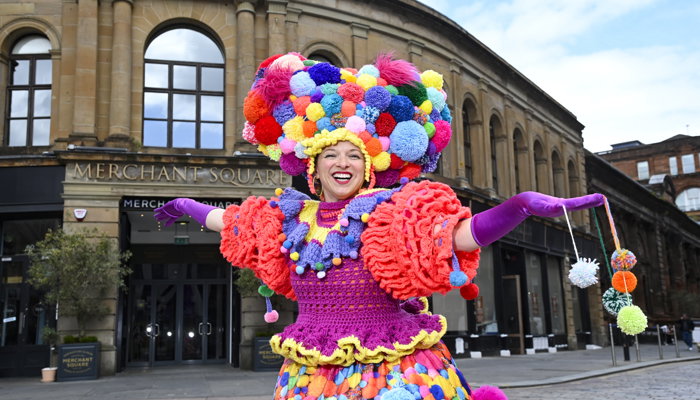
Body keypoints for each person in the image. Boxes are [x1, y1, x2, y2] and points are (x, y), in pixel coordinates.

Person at [154, 53, 604, 400]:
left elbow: (457, 237)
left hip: (394, 371)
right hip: (310, 376)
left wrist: (520, 206)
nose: (342, 163)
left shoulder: (389, 215)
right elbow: (227, 221)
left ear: (369, 168)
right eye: (331, 154)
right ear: (313, 168)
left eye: (353, 155)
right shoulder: (288, 219)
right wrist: (184, 203)